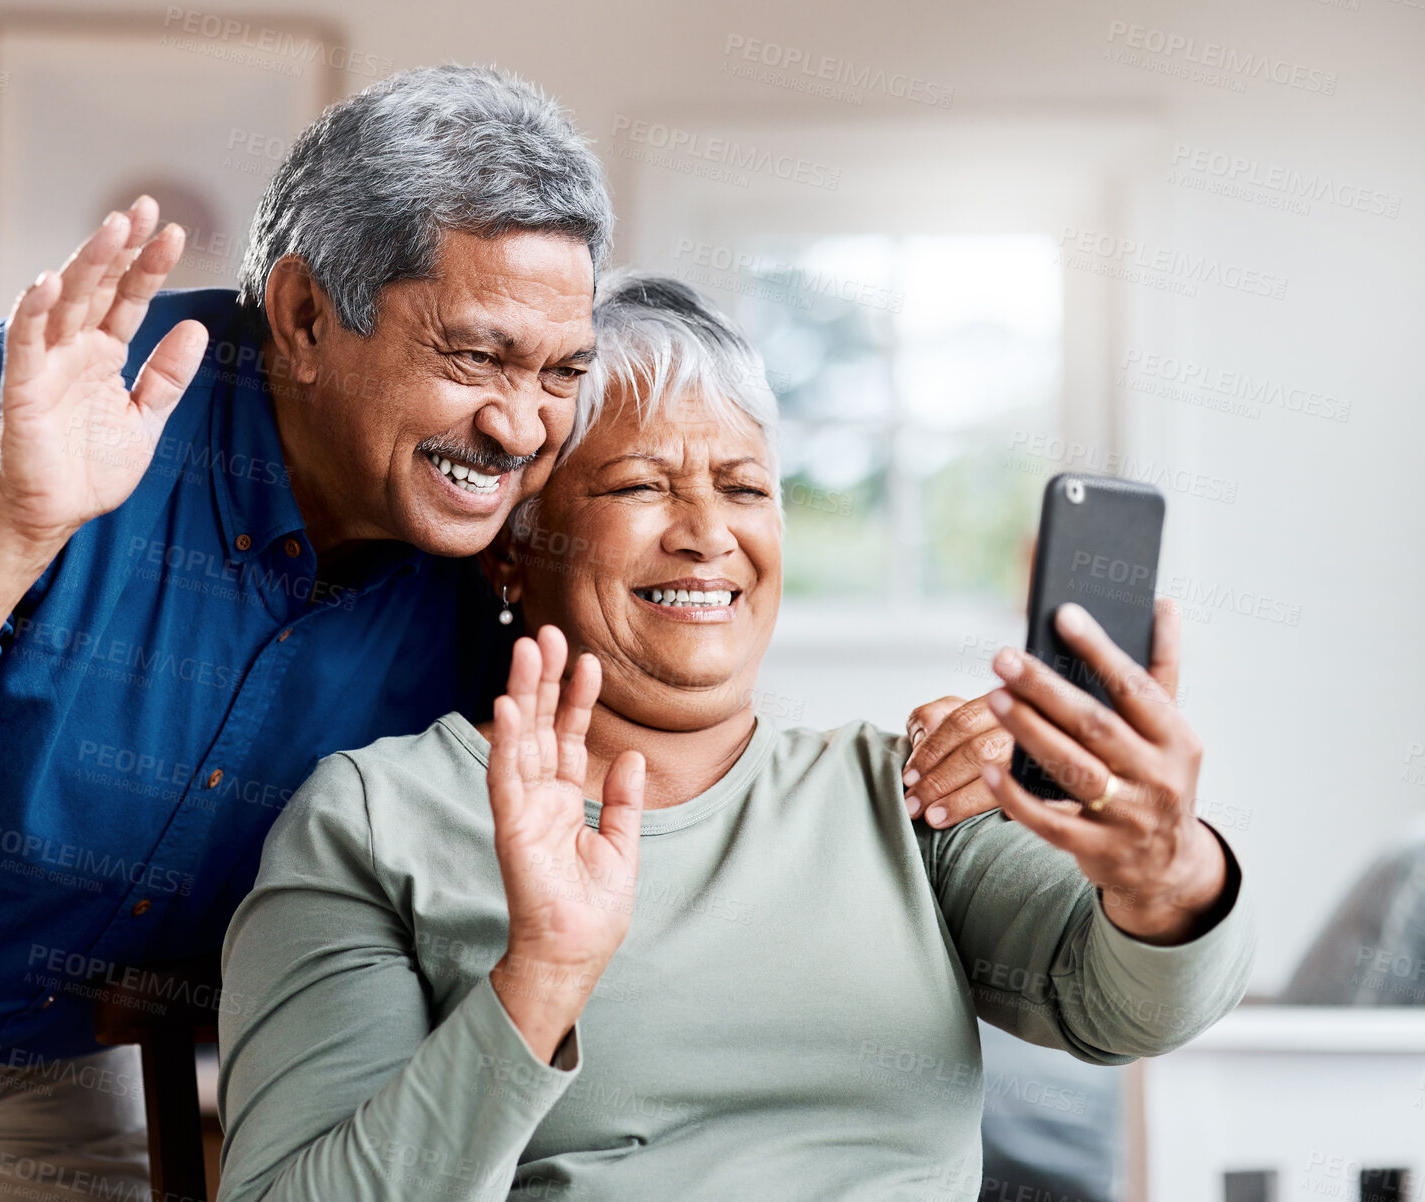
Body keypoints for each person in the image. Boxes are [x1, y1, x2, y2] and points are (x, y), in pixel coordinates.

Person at [0, 69, 1005, 1198]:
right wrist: (12, 528)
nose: (521, 428)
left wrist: (942, 755)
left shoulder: (501, 573)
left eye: (559, 372)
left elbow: (679, 729)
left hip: (41, 1064)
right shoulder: (39, 418)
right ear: (303, 316)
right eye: (475, 356)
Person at [216, 273, 1258, 1201]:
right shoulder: (374, 818)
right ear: (510, 552)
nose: (707, 531)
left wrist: (1163, 869)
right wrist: (539, 980)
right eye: (638, 485)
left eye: (745, 486)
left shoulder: (904, 787)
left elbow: (1127, 1009)